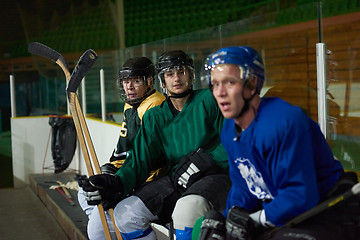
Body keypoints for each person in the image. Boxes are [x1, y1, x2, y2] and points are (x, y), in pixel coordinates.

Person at [200, 46, 360, 239]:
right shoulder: (229, 129)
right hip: (287, 212)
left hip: (329, 211)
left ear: (252, 84)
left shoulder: (284, 121)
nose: (220, 92)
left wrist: (254, 220)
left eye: (229, 82)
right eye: (215, 84)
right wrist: (229, 220)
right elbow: (245, 186)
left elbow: (299, 195)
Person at [82, 50, 231, 240]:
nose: (176, 78)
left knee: (187, 210)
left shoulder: (209, 100)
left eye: (181, 72)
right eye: (170, 74)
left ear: (191, 75)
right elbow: (139, 161)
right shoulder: (155, 117)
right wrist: (117, 182)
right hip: (178, 178)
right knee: (125, 215)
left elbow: (233, 140)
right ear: (162, 80)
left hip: (216, 176)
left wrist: (205, 160)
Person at [77, 57, 166, 240]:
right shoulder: (131, 105)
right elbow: (125, 147)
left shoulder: (154, 105)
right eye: (126, 82)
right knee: (84, 194)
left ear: (149, 81)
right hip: (130, 172)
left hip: (149, 178)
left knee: (98, 228)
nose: (129, 87)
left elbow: (147, 156)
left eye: (135, 81)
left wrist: (117, 179)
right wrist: (110, 167)